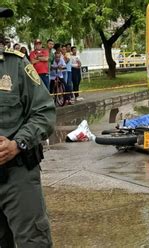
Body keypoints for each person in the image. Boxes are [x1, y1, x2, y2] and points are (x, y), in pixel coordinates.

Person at [0, 7, 56, 247]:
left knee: (33, 242)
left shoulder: (15, 65)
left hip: (17, 173)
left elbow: (44, 112)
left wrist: (17, 143)